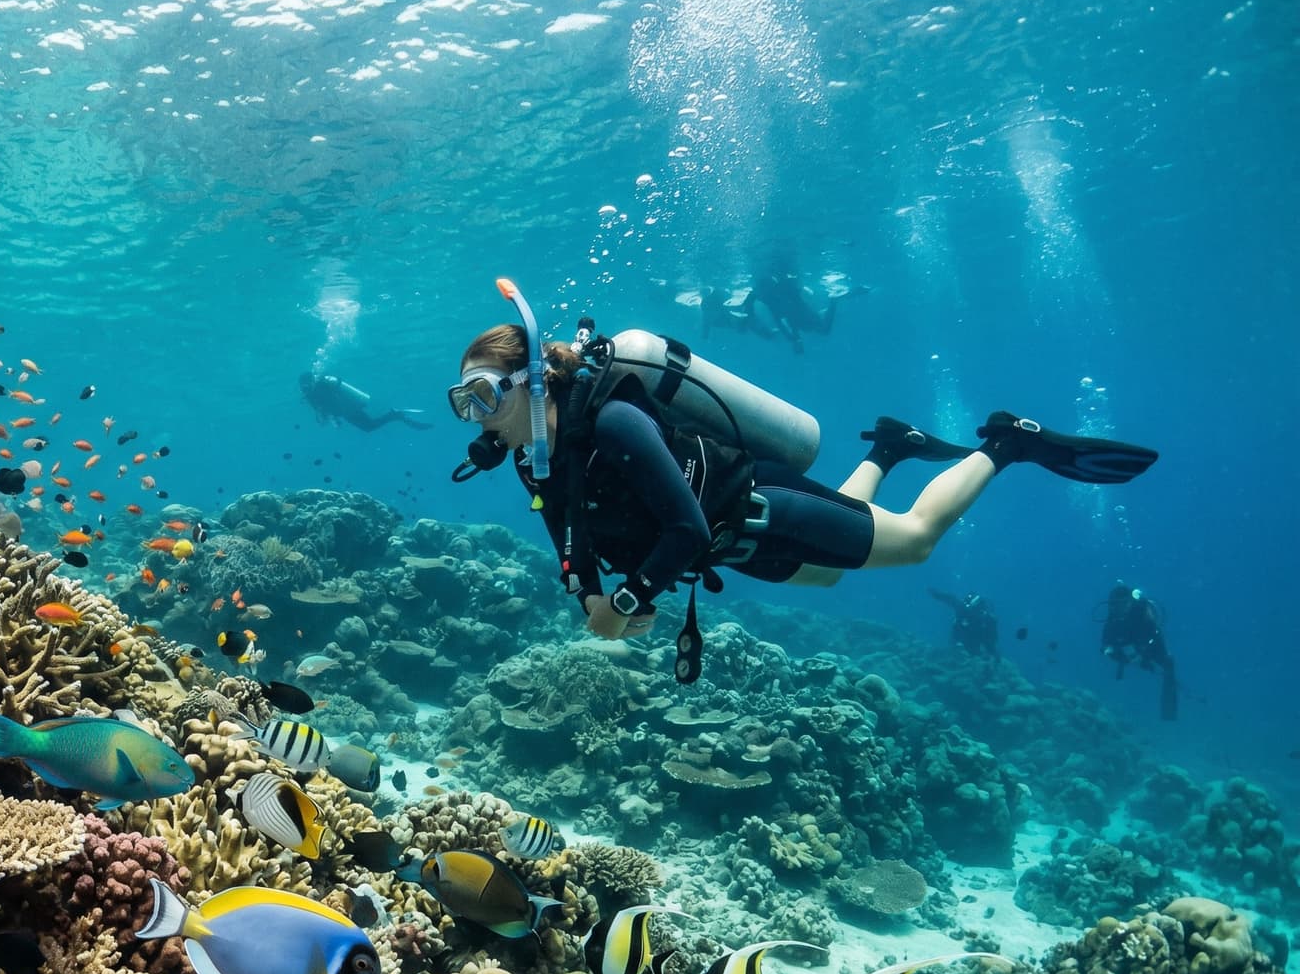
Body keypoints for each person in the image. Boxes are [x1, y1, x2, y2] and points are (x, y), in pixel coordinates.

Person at [447, 287, 1159, 676]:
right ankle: (889, 446)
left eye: (483, 395)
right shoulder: (533, 455)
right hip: (733, 546)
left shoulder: (611, 425)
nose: (475, 417)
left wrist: (630, 595)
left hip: (761, 506)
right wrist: (593, 594)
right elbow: (566, 536)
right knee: (826, 580)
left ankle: (1007, 443)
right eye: (463, 402)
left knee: (913, 541)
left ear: (532, 380)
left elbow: (685, 527)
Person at [1101, 583, 1178, 721]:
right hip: (1130, 644)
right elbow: (1106, 643)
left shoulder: (1142, 613)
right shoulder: (1113, 617)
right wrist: (1117, 655)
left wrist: (1144, 657)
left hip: (1148, 643)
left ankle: (1169, 712)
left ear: (1130, 603)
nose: (1120, 608)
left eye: (1123, 604)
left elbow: (1156, 637)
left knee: (1168, 663)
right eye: (1116, 604)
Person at [300, 372, 432, 432]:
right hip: (347, 412)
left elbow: (328, 405)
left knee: (369, 427)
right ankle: (395, 415)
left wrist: (334, 416)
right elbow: (323, 410)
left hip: (350, 410)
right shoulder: (311, 395)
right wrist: (334, 418)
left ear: (312, 380)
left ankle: (395, 414)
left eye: (306, 384)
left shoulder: (321, 387)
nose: (304, 387)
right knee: (369, 427)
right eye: (303, 386)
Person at [931, 589, 1000, 658]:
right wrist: (936, 594)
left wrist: (992, 654)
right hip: (964, 640)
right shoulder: (964, 609)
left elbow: (991, 643)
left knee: (975, 650)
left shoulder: (988, 621)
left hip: (972, 644)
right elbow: (951, 599)